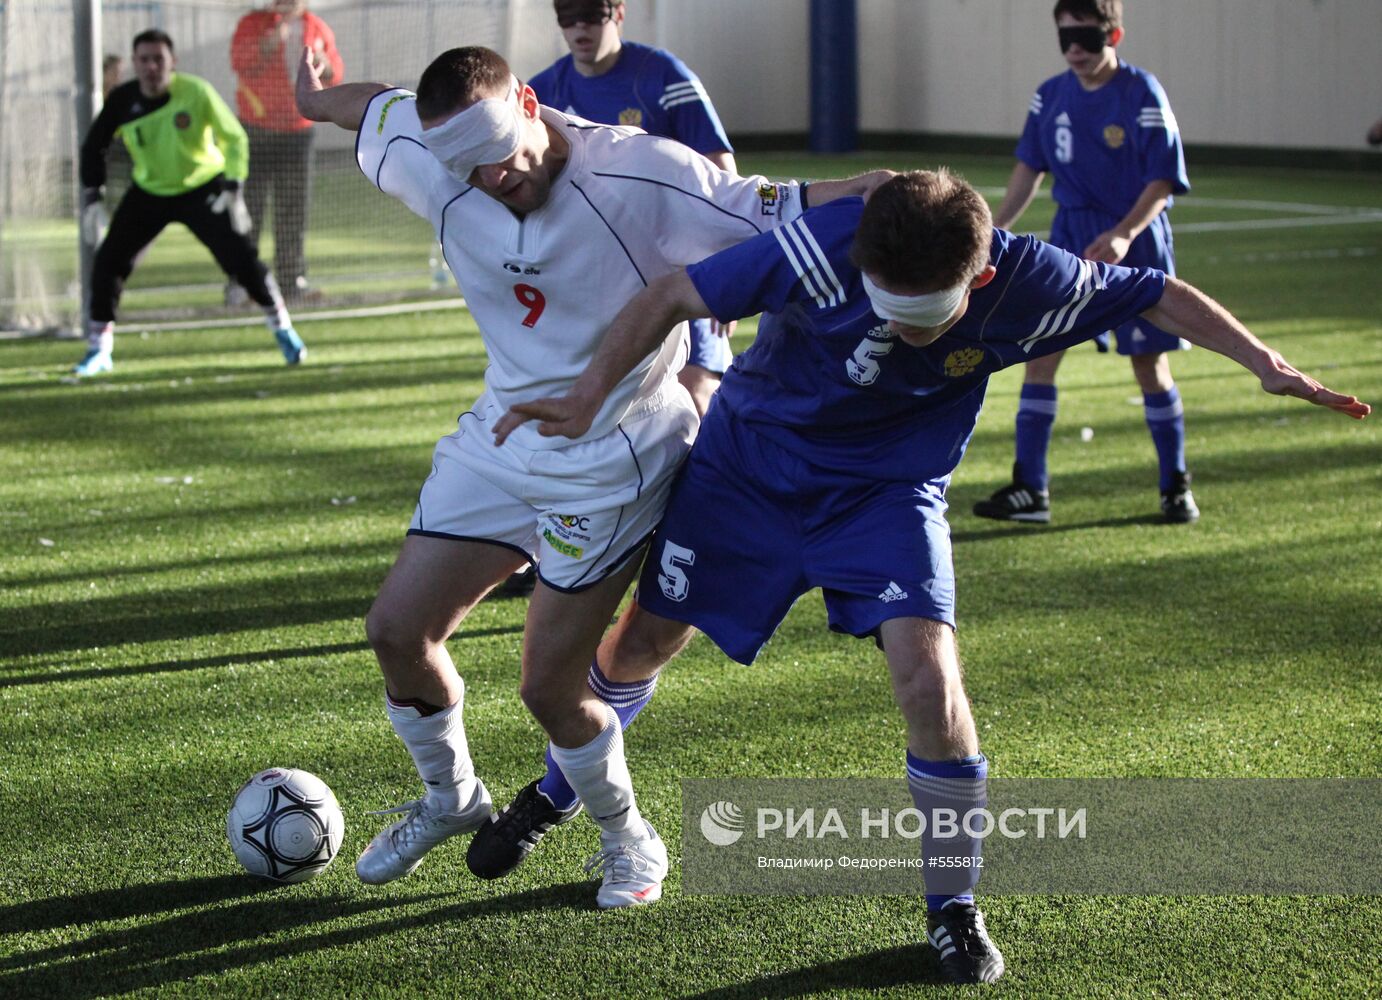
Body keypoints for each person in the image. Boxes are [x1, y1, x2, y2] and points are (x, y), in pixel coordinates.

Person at [487, 169, 1370, 983]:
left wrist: (1266, 364)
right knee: (646, 639)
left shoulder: (1040, 278)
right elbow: (676, 290)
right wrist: (589, 391)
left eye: (928, 312)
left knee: (931, 679)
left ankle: (953, 903)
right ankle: (561, 791)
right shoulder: (829, 240)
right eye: (886, 305)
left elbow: (1160, 293)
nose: (902, 329)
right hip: (748, 470)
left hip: (885, 495)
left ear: (981, 277)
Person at [294, 43, 882, 906]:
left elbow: (784, 205)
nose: (493, 180)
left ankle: (628, 839)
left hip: (616, 458)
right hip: (501, 438)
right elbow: (372, 103)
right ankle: (451, 798)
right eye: (470, 169)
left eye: (501, 155)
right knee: (395, 632)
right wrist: (310, 99)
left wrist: (894, 189)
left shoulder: (642, 174)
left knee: (548, 689)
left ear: (530, 103)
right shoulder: (431, 153)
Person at [973, 0, 1195, 524]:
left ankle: (1176, 486)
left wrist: (1124, 234)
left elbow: (1162, 180)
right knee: (1041, 353)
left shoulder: (1142, 92)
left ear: (1113, 35)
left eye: (1087, 38)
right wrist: (992, 229)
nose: (1075, 49)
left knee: (1148, 364)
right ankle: (1031, 489)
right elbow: (1030, 168)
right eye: (1065, 38)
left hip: (1134, 242)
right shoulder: (1050, 96)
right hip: (1071, 239)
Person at [529, 0, 739, 417]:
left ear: (618, 14)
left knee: (696, 389)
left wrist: (726, 270)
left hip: (676, 263)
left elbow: (722, 173)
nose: (579, 28)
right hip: (592, 274)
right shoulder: (543, 93)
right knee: (598, 400)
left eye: (591, 15)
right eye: (567, 19)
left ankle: (726, 478)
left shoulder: (663, 77)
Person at [74, 29, 305, 376]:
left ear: (173, 62)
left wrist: (233, 188)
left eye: (159, 59)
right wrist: (92, 197)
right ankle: (99, 350)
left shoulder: (195, 92)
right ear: (135, 63)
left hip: (203, 189)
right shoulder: (123, 100)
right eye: (144, 60)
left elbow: (233, 137)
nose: (152, 67)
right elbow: (94, 147)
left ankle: (284, 329)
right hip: (149, 192)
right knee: (107, 263)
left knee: (242, 260)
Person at [231, 0, 343, 304]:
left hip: (297, 132)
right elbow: (239, 63)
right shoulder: (253, 23)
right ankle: (242, 285)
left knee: (293, 212)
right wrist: (269, 43)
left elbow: (335, 74)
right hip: (256, 129)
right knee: (249, 210)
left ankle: (292, 283)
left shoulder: (316, 27)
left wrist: (324, 62)